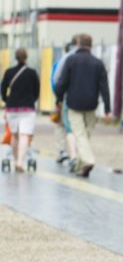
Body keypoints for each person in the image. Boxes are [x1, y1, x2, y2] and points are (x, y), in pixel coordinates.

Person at [53, 33, 111, 178]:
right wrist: (108, 109)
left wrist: (58, 101)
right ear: (91, 45)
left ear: (78, 43)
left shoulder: (71, 60)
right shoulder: (98, 63)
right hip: (92, 105)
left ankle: (88, 161)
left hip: (74, 104)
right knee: (85, 135)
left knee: (79, 134)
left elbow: (62, 83)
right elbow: (104, 87)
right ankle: (80, 164)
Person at [1, 48, 41, 172]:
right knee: (24, 135)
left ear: (15, 57)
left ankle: (15, 159)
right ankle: (20, 162)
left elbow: (2, 90)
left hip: (12, 108)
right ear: (26, 57)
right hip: (27, 108)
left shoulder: (9, 72)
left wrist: (7, 101)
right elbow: (37, 91)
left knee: (14, 134)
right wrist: (31, 100)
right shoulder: (32, 73)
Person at [51, 36, 79, 166]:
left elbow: (54, 81)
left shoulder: (59, 63)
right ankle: (74, 153)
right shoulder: (78, 62)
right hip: (76, 99)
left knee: (60, 126)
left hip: (62, 98)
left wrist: (57, 99)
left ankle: (62, 151)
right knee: (73, 127)